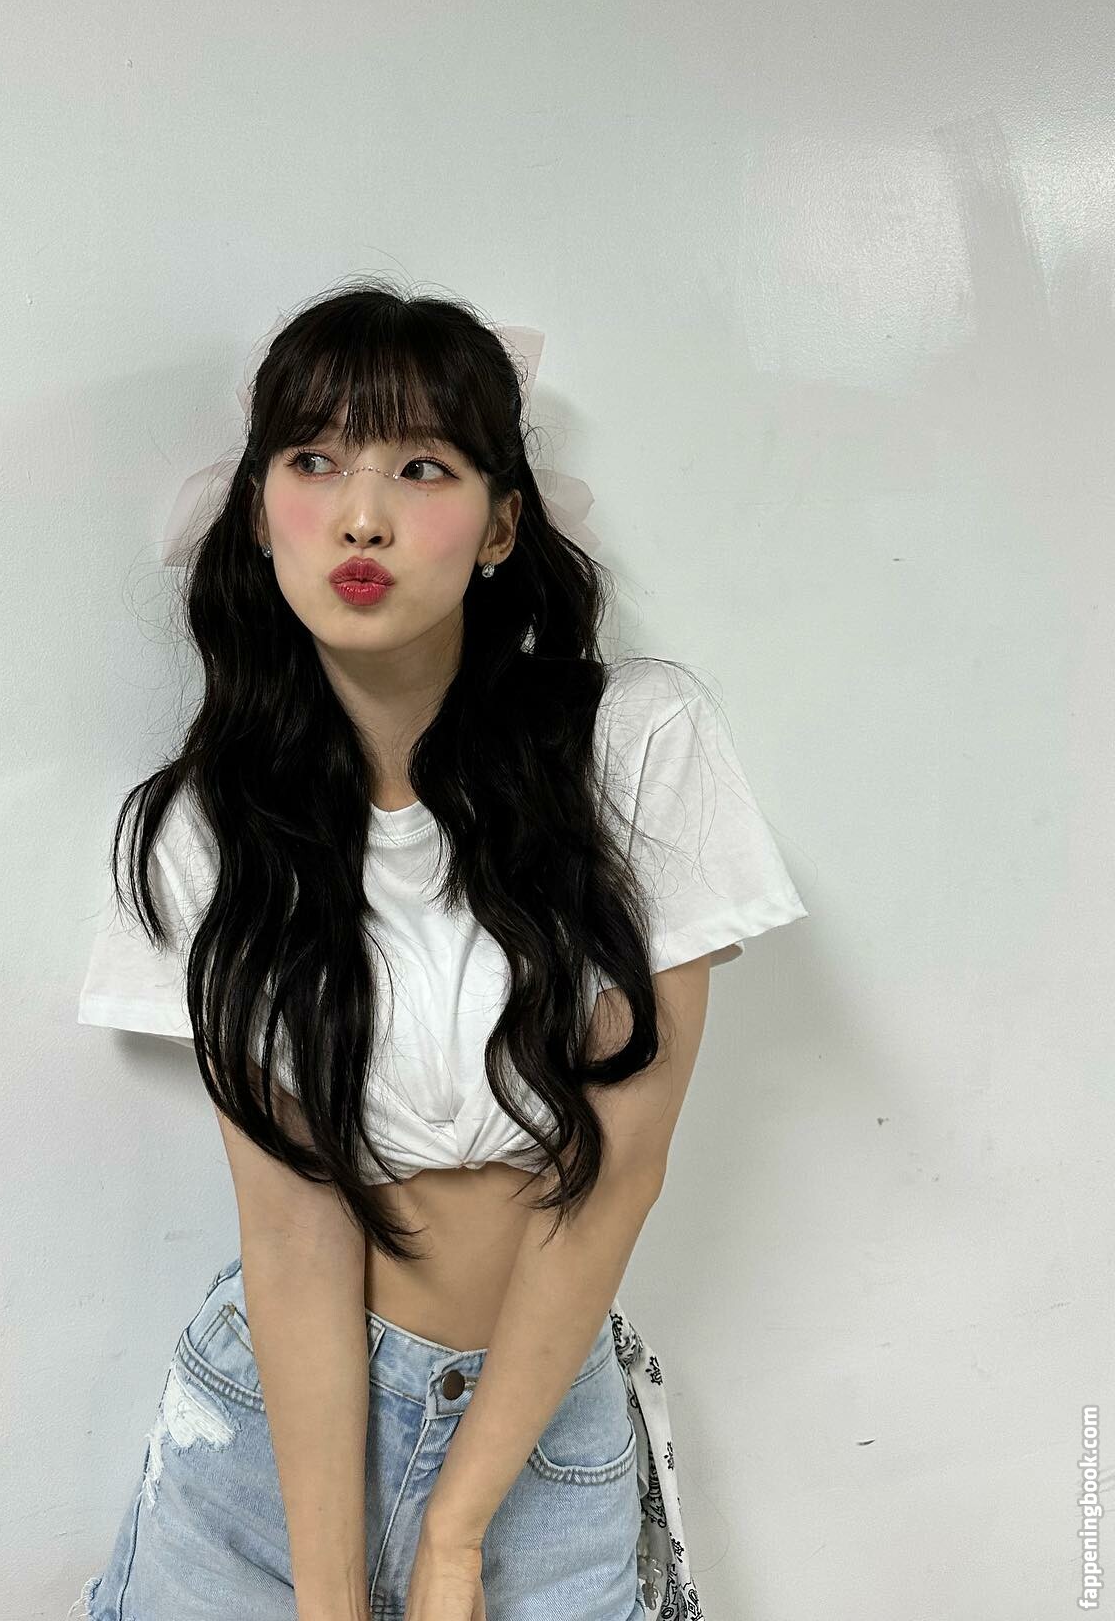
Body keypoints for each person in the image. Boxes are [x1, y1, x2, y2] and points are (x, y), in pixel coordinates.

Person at [72, 277, 809, 1621]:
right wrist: (333, 1599)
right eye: (314, 462)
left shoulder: (634, 743)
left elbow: (619, 1170)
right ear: (259, 514)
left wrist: (457, 1534)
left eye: (422, 468)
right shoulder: (201, 831)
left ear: (500, 525)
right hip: (267, 1441)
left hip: (537, 1437)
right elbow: (293, 1228)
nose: (363, 515)